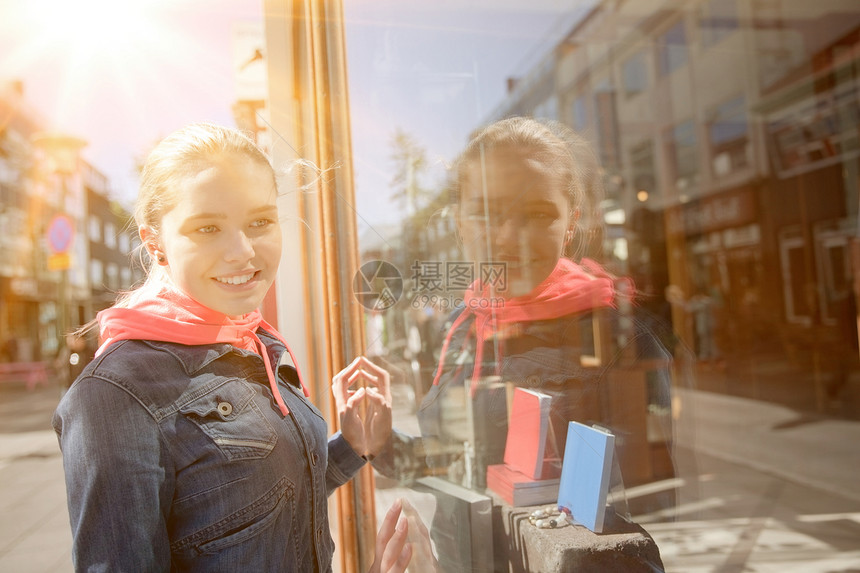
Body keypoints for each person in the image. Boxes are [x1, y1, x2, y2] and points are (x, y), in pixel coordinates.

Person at [52, 123, 414, 572]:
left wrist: (351, 447)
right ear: (155, 243)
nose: (243, 251)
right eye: (208, 229)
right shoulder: (116, 395)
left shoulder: (253, 340)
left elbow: (255, 506)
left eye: (259, 222)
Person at [378, 117, 678, 570]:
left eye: (537, 214)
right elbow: (452, 461)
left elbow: (643, 506)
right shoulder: (464, 325)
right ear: (460, 221)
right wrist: (377, 442)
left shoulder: (616, 336)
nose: (508, 238)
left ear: (571, 223)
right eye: (487, 213)